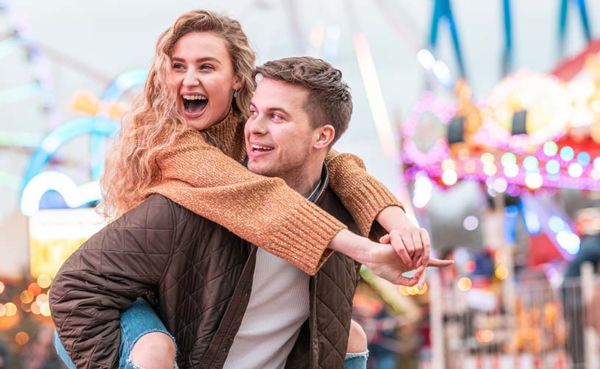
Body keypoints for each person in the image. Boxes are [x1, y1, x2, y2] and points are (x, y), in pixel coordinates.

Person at [51, 9, 450, 368]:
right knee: (155, 352)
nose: (189, 79)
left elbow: (338, 164)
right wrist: (362, 248)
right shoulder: (173, 145)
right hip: (128, 304)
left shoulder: (252, 130)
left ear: (238, 79)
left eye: (205, 67)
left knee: (350, 335)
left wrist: (396, 222)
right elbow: (255, 197)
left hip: (188, 297)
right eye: (177, 66)